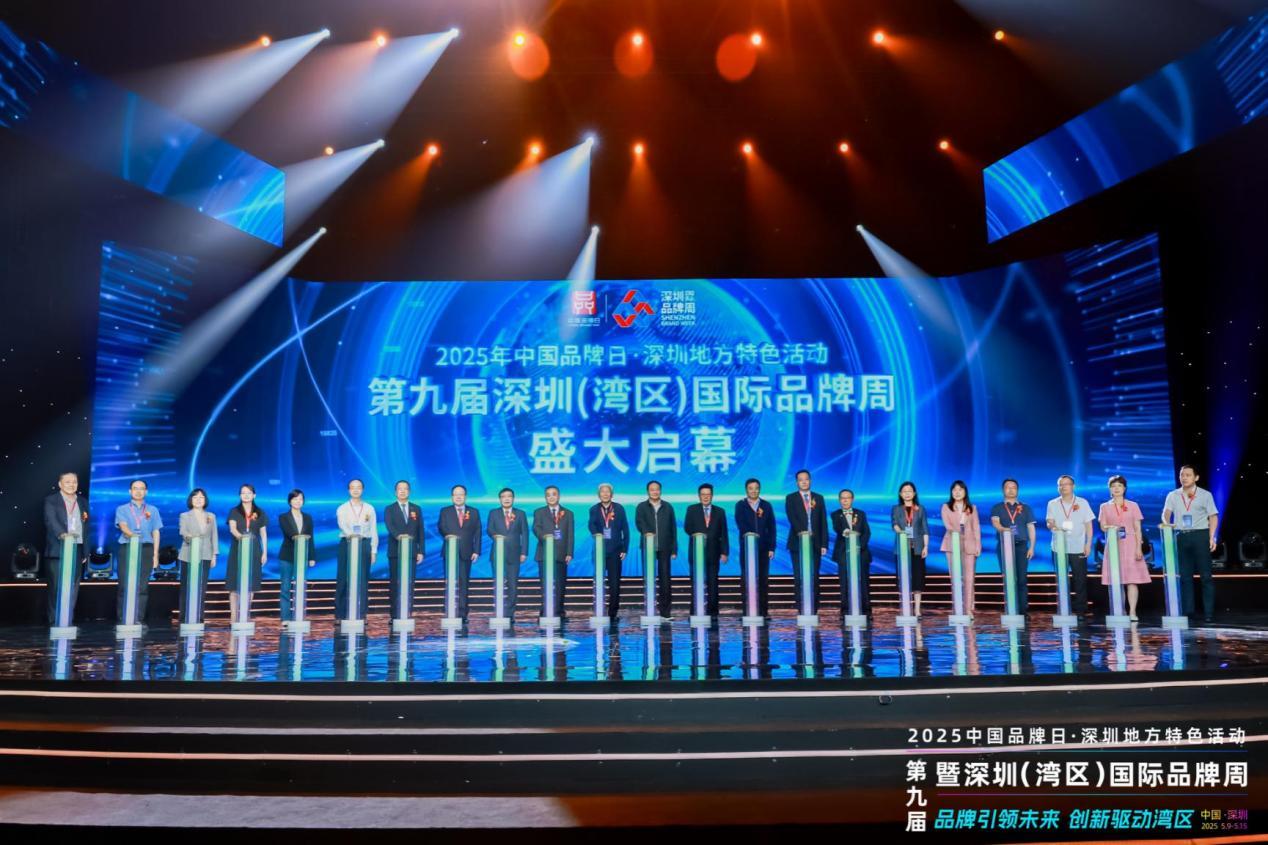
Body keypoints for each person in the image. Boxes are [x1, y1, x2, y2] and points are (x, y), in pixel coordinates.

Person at [1161, 465, 1220, 623]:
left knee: (1206, 576)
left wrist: (1211, 537)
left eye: (1188, 475)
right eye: (1182, 475)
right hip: (1181, 536)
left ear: (1196, 477)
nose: (1184, 477)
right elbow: (1166, 513)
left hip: (1200, 535)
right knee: (1185, 576)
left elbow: (1213, 516)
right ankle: (1189, 612)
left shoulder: (1205, 495)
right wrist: (1168, 523)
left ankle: (1209, 613)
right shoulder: (1173, 495)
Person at [1099, 475, 1149, 621]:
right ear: (1109, 489)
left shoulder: (1133, 505)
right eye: (1113, 486)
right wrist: (1111, 527)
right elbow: (1102, 526)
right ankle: (1120, 611)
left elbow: (1138, 528)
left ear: (1124, 488)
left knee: (1132, 580)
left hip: (1131, 543)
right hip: (1114, 545)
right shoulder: (1104, 506)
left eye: (1119, 486)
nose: (1116, 488)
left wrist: (1139, 547)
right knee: (1116, 580)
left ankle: (1132, 612)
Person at [42, 471, 88, 626]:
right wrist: (62, 534)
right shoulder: (51, 500)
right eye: (67, 482)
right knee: (56, 587)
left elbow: (86, 527)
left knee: (73, 587)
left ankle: (67, 621)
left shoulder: (82, 501)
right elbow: (50, 521)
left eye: (74, 481)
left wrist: (85, 550)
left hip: (77, 548)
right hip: (58, 549)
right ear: (60, 484)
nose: (71, 484)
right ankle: (54, 622)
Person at [1045, 475, 1094, 617]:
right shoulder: (1052, 503)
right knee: (1061, 579)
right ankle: (1064, 609)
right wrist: (1052, 526)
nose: (1063, 487)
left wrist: (1088, 544)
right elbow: (1049, 521)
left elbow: (1088, 525)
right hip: (1058, 548)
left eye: (1066, 484)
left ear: (1073, 486)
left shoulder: (1082, 502)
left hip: (1078, 546)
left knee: (1080, 579)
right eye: (1060, 485)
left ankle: (1081, 610)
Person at [114, 479, 162, 624]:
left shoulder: (153, 510)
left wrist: (155, 554)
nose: (138, 491)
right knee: (124, 584)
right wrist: (133, 535)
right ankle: (123, 619)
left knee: (142, 585)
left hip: (146, 548)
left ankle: (138, 619)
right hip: (127, 547)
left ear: (146, 491)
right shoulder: (122, 509)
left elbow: (156, 532)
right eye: (135, 488)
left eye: (141, 488)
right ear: (130, 491)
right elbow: (123, 526)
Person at [990, 479, 1036, 615]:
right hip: (1004, 546)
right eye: (1007, 487)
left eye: (1013, 487)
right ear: (1003, 490)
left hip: (1022, 546)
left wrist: (1032, 547)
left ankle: (1023, 611)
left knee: (1022, 579)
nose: (1011, 490)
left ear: (1017, 490)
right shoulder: (997, 507)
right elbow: (995, 523)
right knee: (1008, 578)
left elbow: (1031, 528)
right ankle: (1011, 609)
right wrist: (1004, 530)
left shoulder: (1026, 507)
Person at [784, 469, 828, 613]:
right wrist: (803, 534)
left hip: (815, 544)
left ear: (810, 480)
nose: (804, 482)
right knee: (799, 577)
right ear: (797, 482)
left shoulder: (819, 498)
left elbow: (823, 522)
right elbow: (792, 518)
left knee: (814, 576)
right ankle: (801, 609)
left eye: (806, 479)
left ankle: (814, 609)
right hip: (797, 543)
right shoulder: (791, 498)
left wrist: (824, 543)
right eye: (801, 480)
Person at [436, 484, 480, 622]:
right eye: (456, 494)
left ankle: (462, 614)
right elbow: (441, 527)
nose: (458, 497)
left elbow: (478, 531)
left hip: (467, 552)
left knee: (464, 584)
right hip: (450, 551)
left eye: (461, 494)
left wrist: (476, 550)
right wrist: (448, 535)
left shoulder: (474, 512)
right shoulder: (445, 511)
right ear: (452, 497)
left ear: (465, 496)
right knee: (450, 583)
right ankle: (450, 611)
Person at [683, 482, 729, 615]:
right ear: (699, 496)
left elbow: (724, 533)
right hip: (696, 553)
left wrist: (724, 552)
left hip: (713, 553)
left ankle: (713, 613)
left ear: (712, 496)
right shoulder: (692, 509)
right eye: (703, 494)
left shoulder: (720, 511)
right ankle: (695, 612)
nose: (705, 497)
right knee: (696, 583)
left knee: (713, 584)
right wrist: (698, 534)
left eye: (708, 494)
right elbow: (687, 527)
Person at [733, 477, 777, 616]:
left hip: (763, 549)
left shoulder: (766, 505)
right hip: (747, 548)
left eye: (756, 488)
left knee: (763, 580)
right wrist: (751, 536)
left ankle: (763, 612)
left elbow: (772, 528)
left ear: (759, 489)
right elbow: (741, 524)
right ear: (746, 490)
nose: (754, 491)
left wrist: (771, 547)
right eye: (751, 488)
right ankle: (747, 611)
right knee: (746, 579)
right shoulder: (740, 505)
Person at [335, 479, 377, 621]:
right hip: (347, 543)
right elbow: (342, 525)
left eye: (358, 487)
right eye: (353, 487)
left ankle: (361, 613)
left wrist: (373, 550)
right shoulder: (342, 508)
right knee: (343, 578)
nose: (356, 490)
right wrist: (353, 537)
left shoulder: (369, 508)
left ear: (362, 490)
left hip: (364, 544)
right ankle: (340, 614)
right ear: (349, 490)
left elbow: (373, 530)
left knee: (363, 579)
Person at [226, 484, 268, 625]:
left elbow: (263, 533)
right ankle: (233, 618)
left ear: (254, 495)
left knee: (251, 584)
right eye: (243, 493)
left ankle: (245, 615)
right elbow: (232, 529)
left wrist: (265, 552)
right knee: (234, 585)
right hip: (237, 549)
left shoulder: (260, 512)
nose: (246, 495)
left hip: (254, 550)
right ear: (240, 495)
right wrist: (242, 538)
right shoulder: (234, 511)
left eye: (249, 493)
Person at [635, 480, 678, 616]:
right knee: (649, 578)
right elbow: (639, 523)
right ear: (648, 491)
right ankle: (650, 610)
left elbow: (673, 528)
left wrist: (674, 549)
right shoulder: (641, 507)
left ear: (660, 490)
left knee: (665, 580)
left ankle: (665, 612)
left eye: (657, 489)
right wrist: (646, 532)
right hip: (648, 547)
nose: (655, 491)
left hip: (665, 547)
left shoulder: (668, 507)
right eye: (652, 489)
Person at [384, 480, 425, 621]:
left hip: (412, 552)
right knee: (395, 584)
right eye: (400, 489)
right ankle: (394, 615)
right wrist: (400, 537)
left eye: (405, 489)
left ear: (409, 491)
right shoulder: (389, 509)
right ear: (396, 492)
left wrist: (421, 551)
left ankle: (407, 613)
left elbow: (420, 531)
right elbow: (390, 527)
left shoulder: (416, 509)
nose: (402, 491)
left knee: (409, 583)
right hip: (395, 552)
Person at [588, 482, 629, 619]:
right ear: (598, 494)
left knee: (614, 584)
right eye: (602, 492)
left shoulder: (619, 508)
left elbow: (625, 529)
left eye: (607, 491)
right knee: (599, 582)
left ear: (611, 494)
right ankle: (599, 611)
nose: (605, 494)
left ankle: (613, 613)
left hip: (615, 551)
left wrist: (625, 548)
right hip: (599, 551)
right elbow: (591, 525)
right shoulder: (594, 509)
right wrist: (596, 534)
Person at [177, 488, 218, 627]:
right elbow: (183, 531)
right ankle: (184, 617)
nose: (198, 500)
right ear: (191, 500)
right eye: (195, 497)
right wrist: (191, 538)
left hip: (205, 554)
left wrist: (214, 555)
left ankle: (199, 617)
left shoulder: (211, 516)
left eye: (201, 497)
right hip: (188, 554)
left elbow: (214, 536)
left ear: (205, 500)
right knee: (186, 586)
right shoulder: (184, 515)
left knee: (201, 586)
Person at [940, 481, 981, 616]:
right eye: (954, 490)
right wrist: (956, 532)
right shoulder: (946, 507)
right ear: (951, 492)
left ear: (965, 492)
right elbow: (948, 525)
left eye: (960, 489)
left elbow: (976, 527)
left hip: (970, 544)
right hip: (952, 544)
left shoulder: (972, 508)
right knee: (955, 578)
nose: (957, 492)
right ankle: (957, 608)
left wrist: (978, 545)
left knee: (969, 578)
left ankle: (968, 609)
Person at [487, 487, 529, 618]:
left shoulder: (520, 514)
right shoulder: (493, 513)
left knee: (513, 585)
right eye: (503, 496)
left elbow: (525, 533)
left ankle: (509, 613)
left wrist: (524, 552)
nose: (506, 499)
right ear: (500, 499)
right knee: (498, 584)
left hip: (514, 554)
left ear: (513, 498)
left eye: (509, 496)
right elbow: (489, 529)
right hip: (497, 554)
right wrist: (495, 536)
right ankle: (499, 612)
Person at [533, 485, 574, 618]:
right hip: (544, 553)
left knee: (561, 585)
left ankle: (559, 612)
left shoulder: (568, 513)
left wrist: (569, 552)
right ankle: (545, 611)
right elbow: (536, 528)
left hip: (561, 554)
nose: (551, 497)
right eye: (548, 495)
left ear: (558, 496)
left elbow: (570, 534)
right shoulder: (539, 512)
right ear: (545, 497)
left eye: (554, 494)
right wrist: (544, 536)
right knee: (545, 585)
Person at [831, 488, 872, 618]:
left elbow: (866, 532)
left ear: (852, 499)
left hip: (861, 552)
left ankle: (866, 611)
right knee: (844, 582)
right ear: (839, 500)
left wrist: (859, 546)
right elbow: (838, 528)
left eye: (847, 498)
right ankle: (845, 611)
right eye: (842, 498)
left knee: (864, 582)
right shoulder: (835, 514)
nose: (845, 501)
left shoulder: (861, 514)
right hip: (843, 552)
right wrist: (846, 532)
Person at [890, 481, 930, 615]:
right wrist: (901, 532)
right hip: (902, 547)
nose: (907, 493)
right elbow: (894, 524)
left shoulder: (920, 509)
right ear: (900, 494)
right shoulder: (896, 508)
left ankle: (917, 609)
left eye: (909, 491)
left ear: (914, 493)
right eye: (904, 491)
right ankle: (906, 607)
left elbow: (925, 529)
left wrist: (926, 546)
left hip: (917, 548)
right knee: (903, 577)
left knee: (918, 578)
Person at [277, 489, 315, 621]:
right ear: (290, 501)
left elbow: (311, 538)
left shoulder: (308, 517)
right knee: (285, 587)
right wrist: (300, 538)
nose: (298, 501)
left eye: (300, 499)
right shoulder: (283, 517)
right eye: (295, 499)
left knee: (300, 586)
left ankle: (299, 616)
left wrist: (311, 557)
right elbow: (290, 533)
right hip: (287, 556)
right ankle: (285, 618)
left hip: (302, 556)